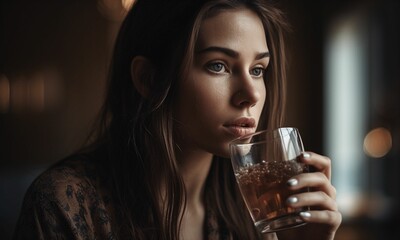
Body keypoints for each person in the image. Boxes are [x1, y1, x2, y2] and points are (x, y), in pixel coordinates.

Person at [13, 0, 342, 239]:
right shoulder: (64, 205)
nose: (251, 94)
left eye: (258, 70)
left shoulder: (258, 212)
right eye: (218, 65)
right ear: (149, 79)